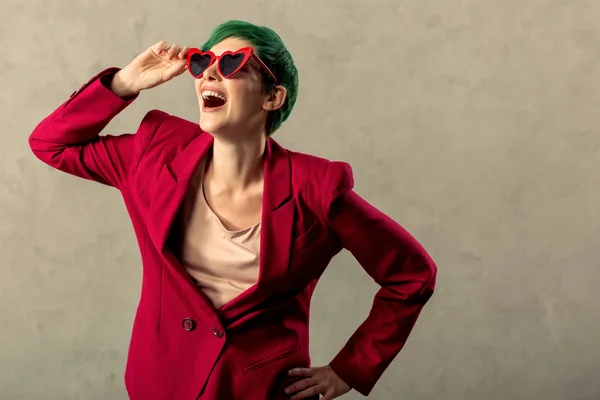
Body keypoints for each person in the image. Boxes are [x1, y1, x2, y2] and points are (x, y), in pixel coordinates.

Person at [28, 20, 437, 400]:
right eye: (203, 62)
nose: (208, 72)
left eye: (231, 63)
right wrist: (123, 83)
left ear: (273, 97)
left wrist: (349, 370)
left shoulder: (317, 189)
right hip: (159, 383)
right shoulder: (155, 153)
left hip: (261, 392)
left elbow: (411, 275)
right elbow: (51, 144)